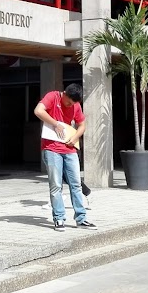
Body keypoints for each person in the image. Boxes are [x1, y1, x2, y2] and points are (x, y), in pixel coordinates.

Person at [34, 83, 96, 231]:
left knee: (76, 184)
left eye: (73, 103)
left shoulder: (75, 105)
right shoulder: (53, 97)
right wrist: (55, 124)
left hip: (70, 149)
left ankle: (81, 219)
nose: (70, 105)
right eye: (68, 102)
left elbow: (82, 125)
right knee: (56, 185)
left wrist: (75, 138)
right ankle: (59, 218)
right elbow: (38, 111)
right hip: (51, 148)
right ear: (64, 93)